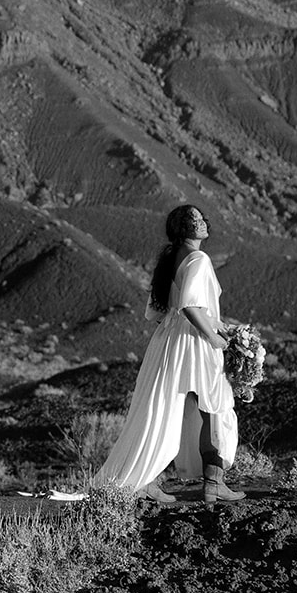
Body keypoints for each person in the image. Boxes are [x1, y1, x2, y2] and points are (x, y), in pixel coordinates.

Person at [95, 203, 244, 506]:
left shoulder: (170, 259)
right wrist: (213, 337)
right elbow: (190, 306)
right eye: (196, 220)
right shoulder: (199, 258)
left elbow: (158, 312)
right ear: (185, 229)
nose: (204, 222)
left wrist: (218, 326)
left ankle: (145, 480)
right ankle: (213, 483)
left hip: (167, 340)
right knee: (214, 408)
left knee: (161, 408)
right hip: (194, 341)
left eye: (202, 218)